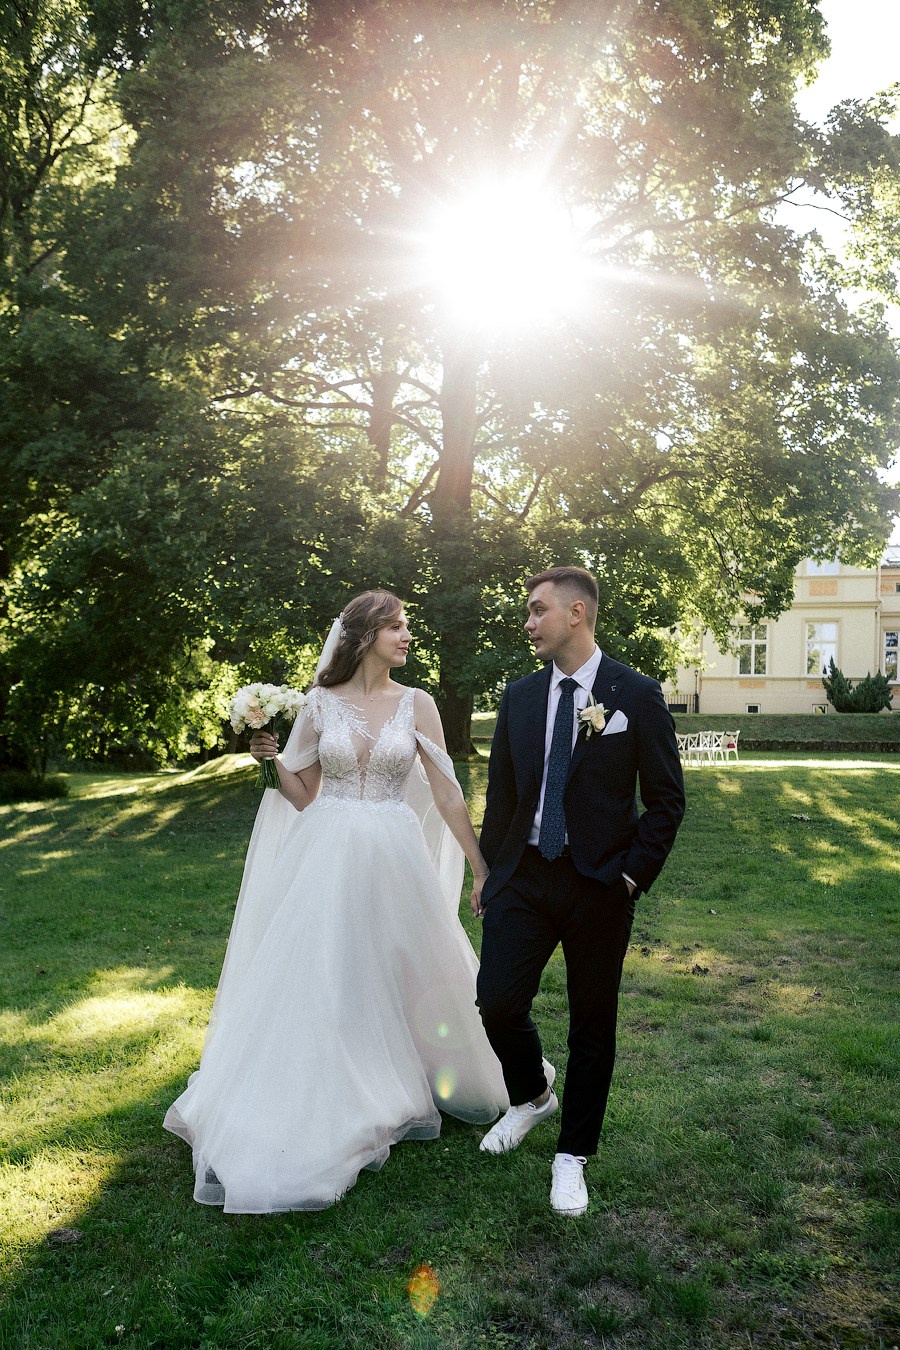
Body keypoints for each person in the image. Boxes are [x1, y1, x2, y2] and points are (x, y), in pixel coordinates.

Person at [164, 590, 507, 1213]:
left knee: (409, 965)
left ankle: (425, 1071)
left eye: (406, 627)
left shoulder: (418, 704)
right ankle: (336, 1084)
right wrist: (268, 760)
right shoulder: (321, 704)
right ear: (365, 635)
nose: (408, 636)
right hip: (329, 852)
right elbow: (301, 792)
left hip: (395, 850)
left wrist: (481, 866)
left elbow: (448, 792)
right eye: (397, 627)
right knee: (331, 967)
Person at [475, 566, 685, 1217]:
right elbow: (505, 798)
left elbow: (667, 800)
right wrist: (489, 873)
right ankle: (533, 1095)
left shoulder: (636, 694)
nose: (528, 623)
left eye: (537, 610)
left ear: (576, 614)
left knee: (594, 1023)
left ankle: (573, 1157)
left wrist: (631, 875)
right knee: (496, 1001)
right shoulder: (517, 696)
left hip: (599, 885)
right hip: (526, 876)